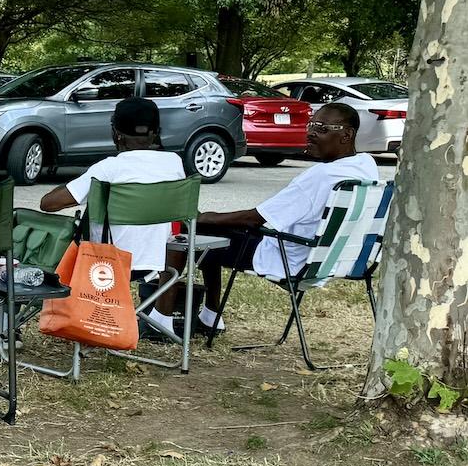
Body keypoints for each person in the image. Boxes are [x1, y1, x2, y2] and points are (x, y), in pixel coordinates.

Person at [191, 102, 378, 336]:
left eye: (321, 128)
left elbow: (254, 219)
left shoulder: (320, 176)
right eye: (311, 125)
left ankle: (179, 315)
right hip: (336, 261)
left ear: (347, 135)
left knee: (201, 237)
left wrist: (200, 218)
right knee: (215, 228)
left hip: (289, 258)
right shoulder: (366, 167)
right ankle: (208, 316)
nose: (310, 133)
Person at [39, 96, 186, 341]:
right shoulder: (175, 164)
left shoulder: (108, 168)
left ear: (115, 133)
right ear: (156, 132)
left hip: (104, 267)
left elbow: (49, 204)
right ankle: (163, 320)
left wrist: (77, 181)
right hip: (158, 261)